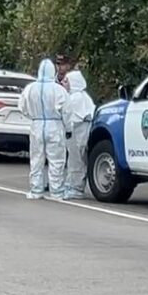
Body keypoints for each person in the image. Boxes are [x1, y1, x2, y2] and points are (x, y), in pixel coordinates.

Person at [19, 59, 71, 199]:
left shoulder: (30, 88)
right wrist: (68, 128)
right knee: (56, 160)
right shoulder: (59, 90)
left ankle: (36, 190)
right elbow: (66, 111)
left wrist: (33, 116)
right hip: (55, 125)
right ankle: (57, 191)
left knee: (36, 159)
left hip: (37, 125)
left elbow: (22, 107)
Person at [63, 70, 95, 200]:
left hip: (78, 134)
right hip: (76, 134)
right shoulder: (79, 97)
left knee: (77, 161)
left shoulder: (76, 98)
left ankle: (76, 188)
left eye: (66, 81)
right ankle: (71, 185)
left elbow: (70, 117)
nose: (64, 83)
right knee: (74, 160)